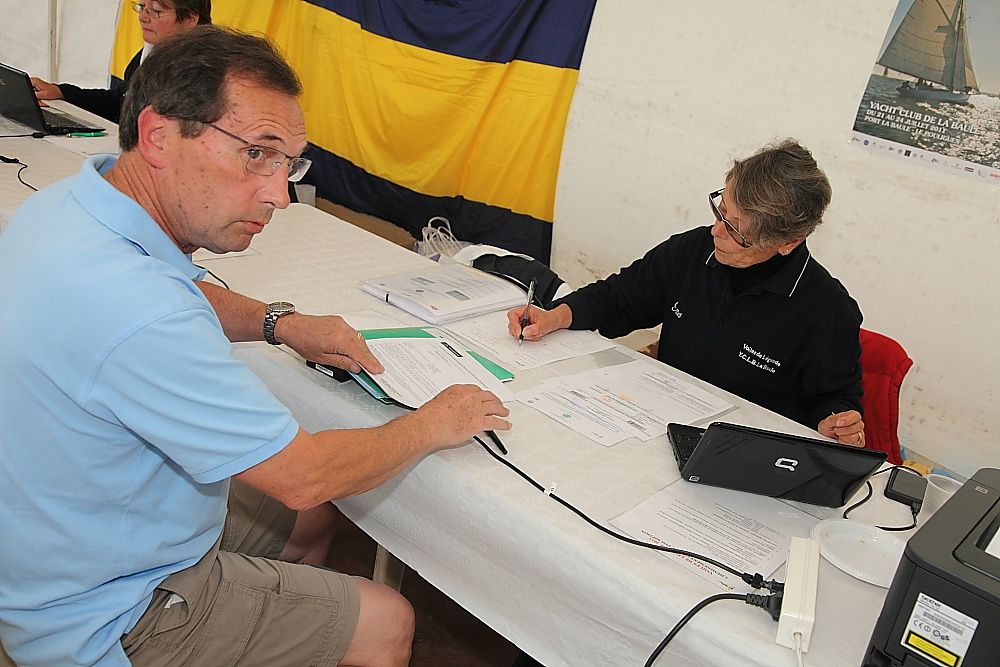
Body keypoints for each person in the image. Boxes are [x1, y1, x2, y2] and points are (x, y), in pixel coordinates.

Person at [0, 25, 511, 667]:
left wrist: (281, 323)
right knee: (386, 619)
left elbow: (177, 298)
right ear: (159, 136)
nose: (279, 193)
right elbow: (302, 475)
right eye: (256, 155)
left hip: (60, 536)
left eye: (287, 162)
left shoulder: (70, 207)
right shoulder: (145, 315)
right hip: (105, 613)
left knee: (316, 521)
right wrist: (435, 422)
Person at [508, 139, 866, 446]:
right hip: (659, 423)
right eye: (720, 210)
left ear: (788, 242)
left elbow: (833, 400)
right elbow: (619, 298)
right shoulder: (694, 250)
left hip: (740, 454)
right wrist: (555, 314)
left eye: (736, 230)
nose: (716, 231)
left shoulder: (827, 311)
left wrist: (835, 424)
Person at [30, 1, 211, 123]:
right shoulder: (150, 54)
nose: (143, 17)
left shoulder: (205, 72)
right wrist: (62, 92)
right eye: (141, 6)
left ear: (190, 19)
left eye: (156, 11)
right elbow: (120, 101)